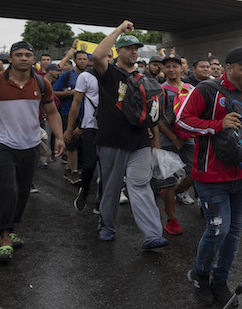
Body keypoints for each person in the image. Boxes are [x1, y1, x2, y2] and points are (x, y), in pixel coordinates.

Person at [177, 47, 242, 305]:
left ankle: (219, 281)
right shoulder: (207, 90)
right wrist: (217, 126)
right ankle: (199, 275)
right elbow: (182, 121)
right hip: (210, 178)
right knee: (218, 230)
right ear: (228, 68)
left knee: (234, 234)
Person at [91, 23, 168, 250]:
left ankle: (152, 235)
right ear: (118, 51)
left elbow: (151, 111)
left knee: (140, 185)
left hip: (139, 141)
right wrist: (118, 31)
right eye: (129, 48)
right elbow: (97, 55)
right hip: (111, 140)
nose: (134, 52)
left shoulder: (143, 77)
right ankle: (106, 226)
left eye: (136, 48)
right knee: (112, 188)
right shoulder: (109, 73)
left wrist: (155, 139)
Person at [0, 42, 65, 262]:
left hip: (30, 145)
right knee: (7, 189)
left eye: (28, 55)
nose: (24, 58)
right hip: (4, 145)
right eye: (18, 55)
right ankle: (5, 236)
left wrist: (60, 137)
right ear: (10, 58)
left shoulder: (41, 83)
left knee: (22, 191)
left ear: (33, 59)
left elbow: (52, 112)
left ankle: (10, 226)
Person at [156, 53, 196, 236]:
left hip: (188, 139)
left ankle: (169, 194)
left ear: (182, 68)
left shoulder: (190, 89)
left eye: (175, 66)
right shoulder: (159, 90)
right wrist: (173, 138)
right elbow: (156, 119)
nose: (171, 70)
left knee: (194, 174)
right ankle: (171, 219)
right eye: (168, 66)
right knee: (168, 181)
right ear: (163, 69)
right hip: (167, 140)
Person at [64, 62, 101, 212]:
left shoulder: (114, 76)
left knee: (106, 168)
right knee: (90, 164)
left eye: (110, 57)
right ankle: (85, 190)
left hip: (109, 128)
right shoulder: (86, 76)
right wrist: (70, 129)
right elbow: (76, 103)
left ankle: (100, 201)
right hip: (90, 127)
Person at [53, 49, 89, 185]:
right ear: (75, 60)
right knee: (71, 144)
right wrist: (71, 93)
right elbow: (54, 92)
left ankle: (69, 169)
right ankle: (74, 173)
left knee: (81, 144)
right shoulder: (66, 76)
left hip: (86, 115)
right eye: (80, 59)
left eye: (85, 59)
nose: (83, 61)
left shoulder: (90, 76)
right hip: (67, 113)